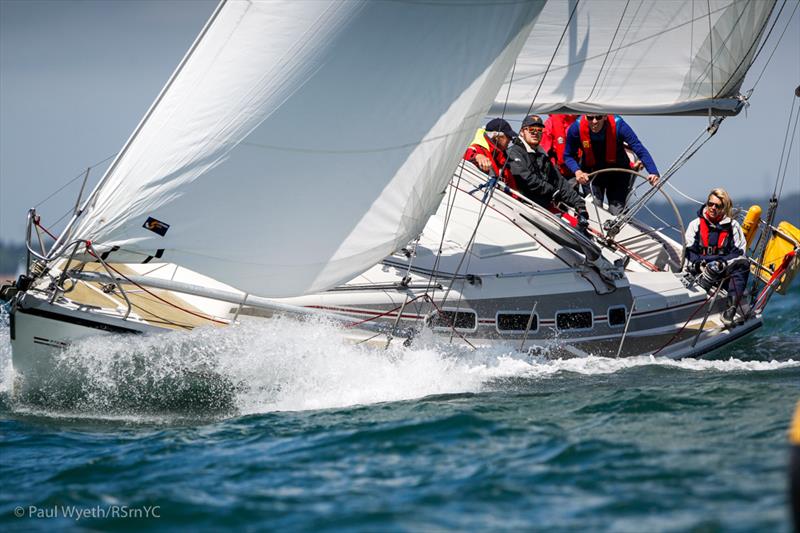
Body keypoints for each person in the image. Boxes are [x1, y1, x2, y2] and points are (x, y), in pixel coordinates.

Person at [563, 114, 660, 215]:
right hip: (592, 173)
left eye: (598, 117)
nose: (594, 121)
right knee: (593, 207)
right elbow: (568, 155)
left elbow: (639, 148)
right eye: (590, 118)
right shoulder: (576, 128)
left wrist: (653, 172)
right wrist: (578, 172)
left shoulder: (619, 126)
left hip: (618, 173)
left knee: (615, 211)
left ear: (605, 116)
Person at [507, 115, 589, 229]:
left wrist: (579, 205)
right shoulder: (514, 153)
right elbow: (525, 179)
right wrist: (552, 191)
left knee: (579, 228)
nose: (535, 133)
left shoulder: (541, 155)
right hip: (524, 208)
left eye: (539, 130)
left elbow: (560, 182)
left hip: (543, 207)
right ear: (522, 132)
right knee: (571, 231)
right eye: (531, 129)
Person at [684, 188, 749, 326]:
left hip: (723, 269)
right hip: (701, 269)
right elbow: (689, 250)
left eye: (717, 205)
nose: (712, 208)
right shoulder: (695, 225)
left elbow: (739, 252)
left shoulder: (733, 226)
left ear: (724, 208)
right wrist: (698, 264)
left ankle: (730, 310)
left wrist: (721, 264)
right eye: (710, 204)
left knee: (743, 264)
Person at [463, 118, 517, 189]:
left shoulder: (501, 156)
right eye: (508, 137)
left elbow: (511, 185)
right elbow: (463, 153)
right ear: (497, 137)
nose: (510, 140)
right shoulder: (478, 149)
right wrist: (477, 156)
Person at [541, 114, 577, 178]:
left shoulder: (584, 120)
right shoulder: (550, 123)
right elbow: (543, 150)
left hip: (576, 169)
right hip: (557, 169)